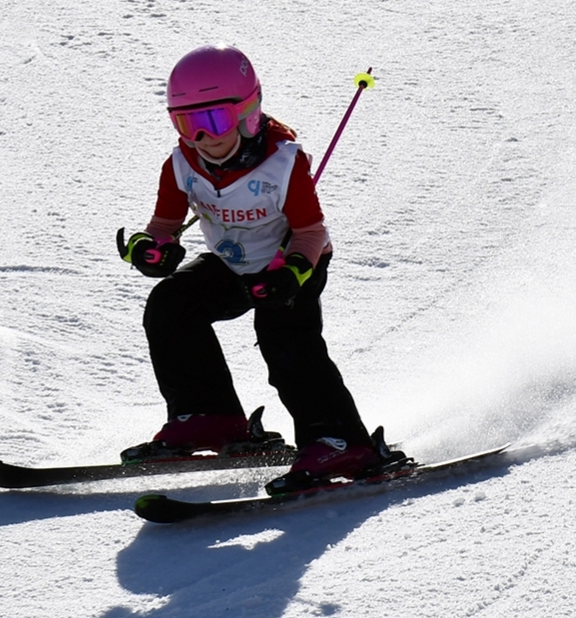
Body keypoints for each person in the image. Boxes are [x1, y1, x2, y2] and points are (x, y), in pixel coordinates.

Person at [115, 44, 407, 496]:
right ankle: (208, 418)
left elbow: (311, 232)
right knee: (171, 304)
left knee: (286, 341)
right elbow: (164, 226)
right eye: (187, 123)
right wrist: (152, 248)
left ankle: (340, 442)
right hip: (231, 264)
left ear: (249, 113)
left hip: (291, 265)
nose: (204, 137)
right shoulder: (180, 165)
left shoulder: (284, 164)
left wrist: (289, 274)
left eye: (214, 120)